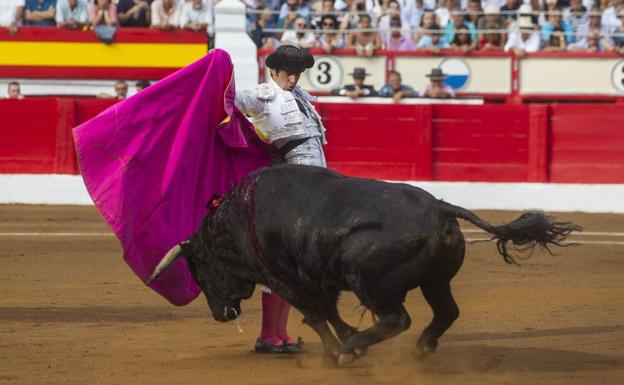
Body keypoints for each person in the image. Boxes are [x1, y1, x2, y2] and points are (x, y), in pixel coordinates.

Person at [234, 45, 327, 354]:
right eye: (289, 74)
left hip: (311, 186)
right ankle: (266, 334)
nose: (294, 79)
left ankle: (281, 333)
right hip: (289, 190)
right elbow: (225, 101)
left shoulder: (301, 97)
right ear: (273, 71)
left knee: (295, 264)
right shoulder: (260, 94)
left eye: (298, 74)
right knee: (279, 261)